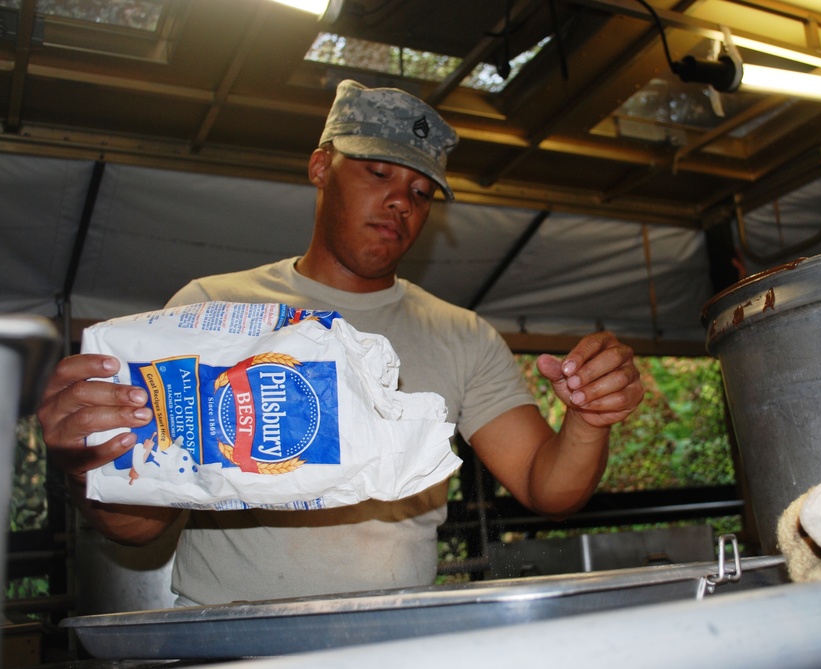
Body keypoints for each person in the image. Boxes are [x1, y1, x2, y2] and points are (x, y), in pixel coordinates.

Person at [37, 79, 644, 606]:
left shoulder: (461, 334)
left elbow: (546, 486)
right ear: (321, 166)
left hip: (394, 638)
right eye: (378, 172)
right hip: (232, 637)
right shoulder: (211, 311)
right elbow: (139, 524)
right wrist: (86, 459)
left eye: (421, 191)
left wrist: (589, 417)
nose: (399, 202)